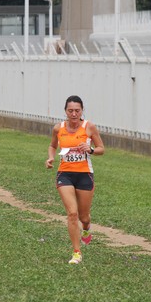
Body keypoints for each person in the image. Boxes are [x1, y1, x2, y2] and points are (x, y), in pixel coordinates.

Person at [45, 95, 105, 265]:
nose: (73, 114)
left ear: (82, 111)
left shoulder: (89, 127)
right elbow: (52, 145)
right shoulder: (59, 128)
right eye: (70, 110)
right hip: (65, 174)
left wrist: (91, 149)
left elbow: (102, 148)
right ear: (65, 111)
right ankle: (76, 252)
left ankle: (86, 230)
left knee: (84, 217)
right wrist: (50, 158)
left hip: (85, 174)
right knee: (72, 213)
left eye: (77, 110)